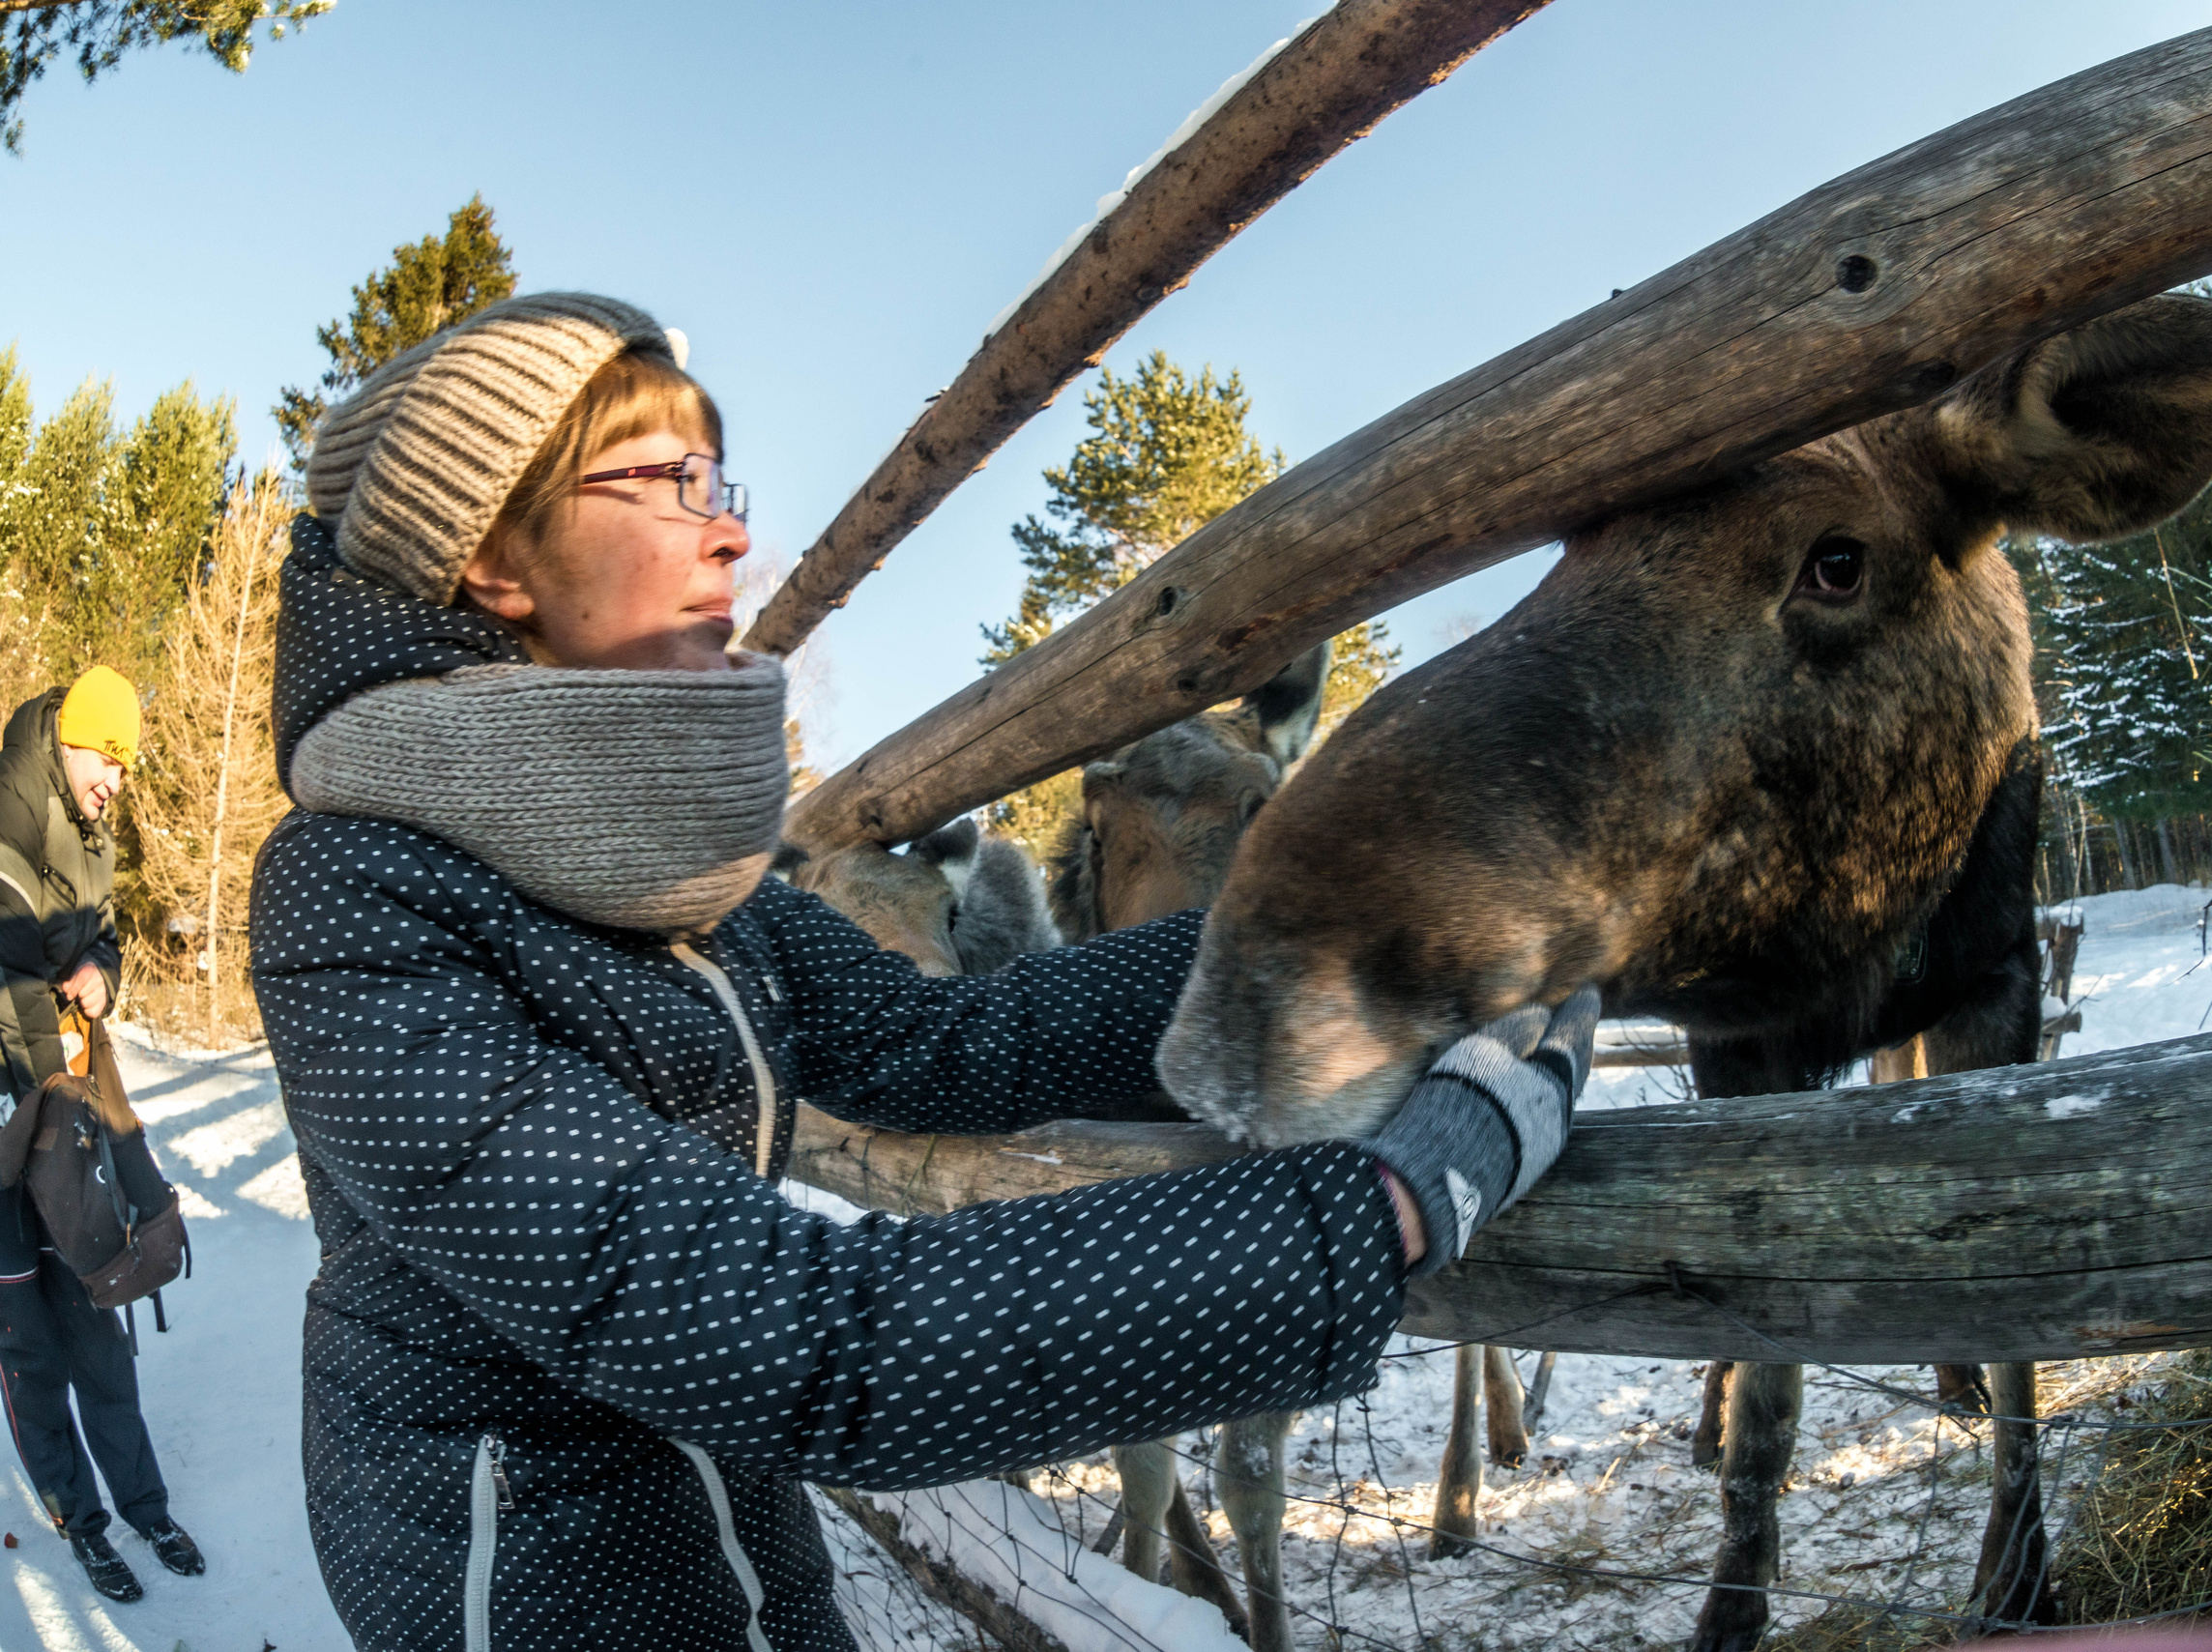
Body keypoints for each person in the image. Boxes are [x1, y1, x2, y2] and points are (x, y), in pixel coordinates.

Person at [251, 292, 1601, 1652]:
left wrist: (1355, 947)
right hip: (521, 1566)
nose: (730, 529)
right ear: (494, 559)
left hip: (730, 1517)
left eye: (719, 480)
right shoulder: (358, 901)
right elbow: (808, 1343)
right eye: (666, 483)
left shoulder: (685, 887)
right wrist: (1392, 1206)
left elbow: (946, 1045)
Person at [0, 665, 205, 1603]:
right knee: (30, 1345)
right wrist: (47, 1033)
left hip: (71, 1116)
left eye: (126, 761)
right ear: (66, 741)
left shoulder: (92, 838)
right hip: (7, 1126)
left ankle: (145, 1502)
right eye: (108, 757)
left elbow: (109, 933)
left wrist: (103, 972)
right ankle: (79, 1521)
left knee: (97, 1317)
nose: (117, 779)